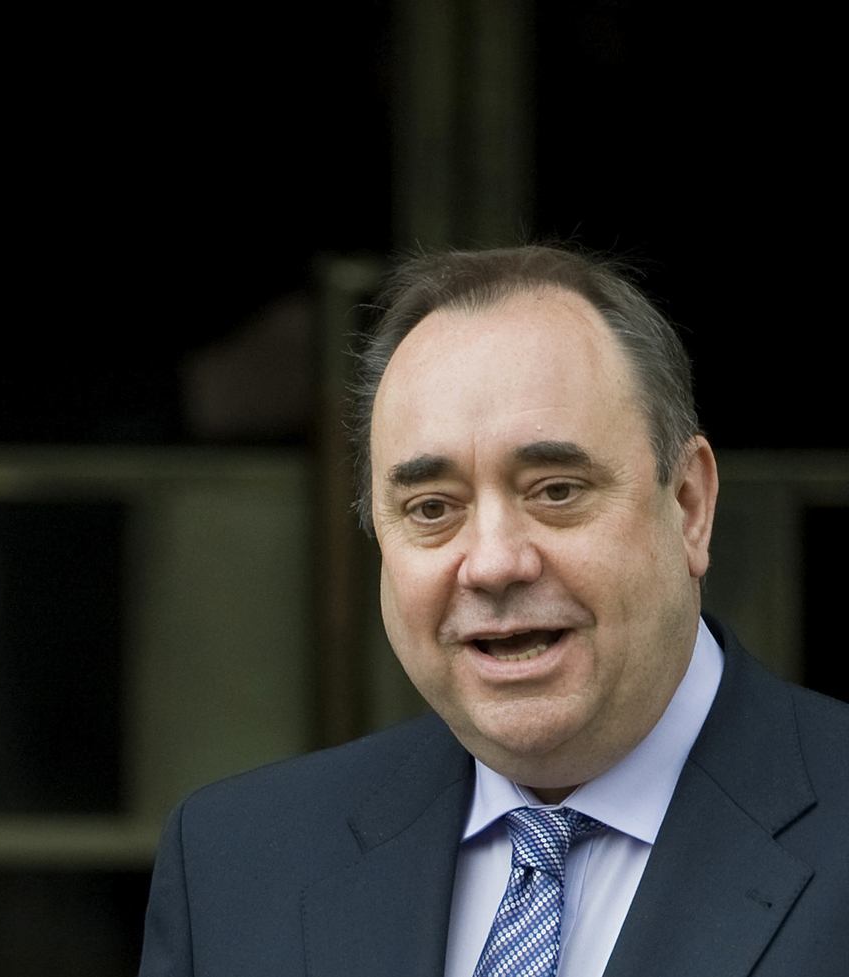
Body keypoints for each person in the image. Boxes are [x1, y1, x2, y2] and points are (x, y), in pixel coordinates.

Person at [138, 245, 849, 976]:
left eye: (556, 490)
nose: (495, 562)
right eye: (433, 508)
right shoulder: (235, 867)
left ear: (690, 505)